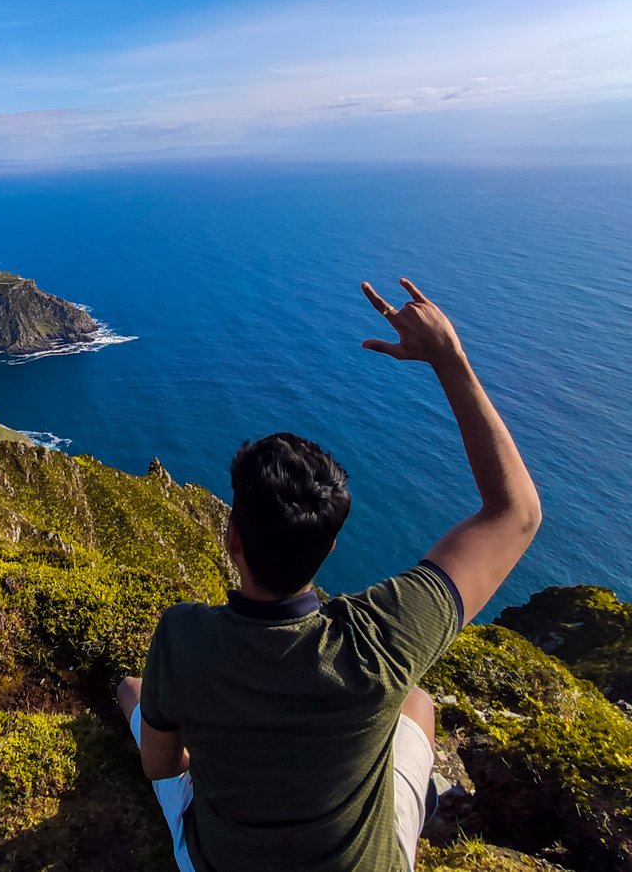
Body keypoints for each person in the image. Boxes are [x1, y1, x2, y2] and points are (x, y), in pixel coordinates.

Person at [116, 277, 542, 872]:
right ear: (332, 543)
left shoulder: (183, 637)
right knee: (415, 702)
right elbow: (515, 513)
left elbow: (163, 766)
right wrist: (450, 359)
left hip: (218, 860)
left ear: (232, 535)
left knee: (132, 691)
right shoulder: (383, 636)